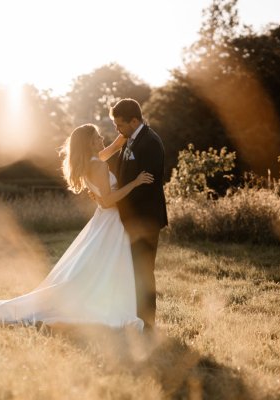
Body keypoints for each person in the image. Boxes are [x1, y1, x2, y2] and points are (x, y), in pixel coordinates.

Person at [0, 124, 153, 330]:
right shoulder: (99, 165)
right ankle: (102, 303)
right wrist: (135, 183)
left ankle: (104, 298)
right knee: (105, 264)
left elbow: (107, 153)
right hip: (110, 218)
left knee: (98, 265)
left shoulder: (90, 162)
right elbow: (106, 201)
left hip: (103, 220)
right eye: (97, 137)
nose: (102, 138)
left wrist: (120, 141)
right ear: (89, 143)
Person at [96, 98, 168, 332]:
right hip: (130, 218)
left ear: (134, 120)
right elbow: (120, 171)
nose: (117, 130)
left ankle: (147, 323)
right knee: (132, 270)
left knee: (144, 270)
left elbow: (146, 186)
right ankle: (132, 316)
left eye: (120, 125)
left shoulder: (150, 143)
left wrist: (117, 204)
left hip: (145, 219)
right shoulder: (130, 140)